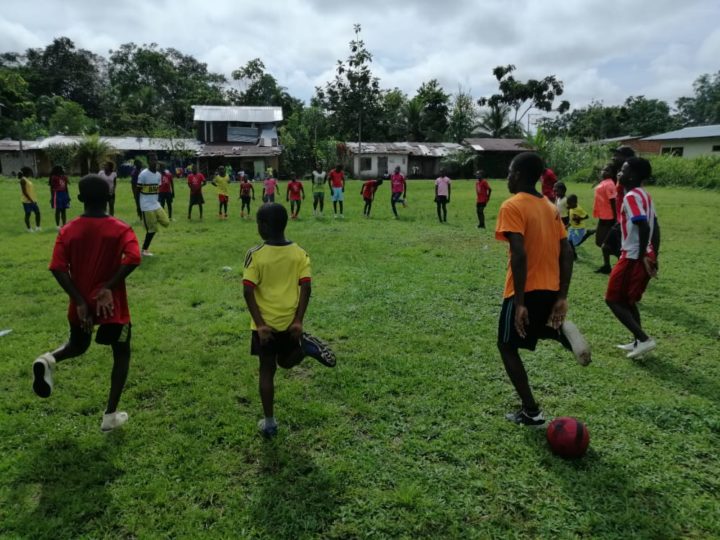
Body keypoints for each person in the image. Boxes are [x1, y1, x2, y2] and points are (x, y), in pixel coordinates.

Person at [32, 174, 141, 432]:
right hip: (112, 307)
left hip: (81, 307)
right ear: (110, 197)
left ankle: (48, 360)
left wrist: (79, 300)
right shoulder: (121, 228)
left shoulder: (68, 230)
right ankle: (110, 415)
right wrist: (107, 288)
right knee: (122, 352)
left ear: (79, 198)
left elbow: (57, 268)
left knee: (78, 346)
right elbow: (134, 257)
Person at [495, 152, 591, 427]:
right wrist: (561, 296)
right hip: (550, 288)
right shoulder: (550, 206)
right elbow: (567, 253)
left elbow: (519, 255)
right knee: (534, 326)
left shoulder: (512, 206)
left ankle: (531, 411)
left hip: (524, 290)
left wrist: (520, 301)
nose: (507, 178)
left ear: (517, 175)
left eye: (509, 172)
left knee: (506, 345)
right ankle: (562, 332)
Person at [242, 203, 336, 437]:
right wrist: (298, 320)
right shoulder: (299, 253)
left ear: (262, 226)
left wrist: (261, 325)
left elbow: (247, 291)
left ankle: (270, 423)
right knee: (286, 362)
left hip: (265, 327)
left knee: (267, 370)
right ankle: (303, 348)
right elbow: (306, 287)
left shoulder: (256, 255)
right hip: (289, 322)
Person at [605, 157, 660, 359]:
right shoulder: (645, 195)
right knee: (628, 300)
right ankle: (638, 341)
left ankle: (644, 339)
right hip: (641, 253)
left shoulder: (631, 197)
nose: (619, 173)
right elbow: (655, 227)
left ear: (633, 175)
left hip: (632, 256)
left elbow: (643, 225)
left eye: (623, 170)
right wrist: (653, 252)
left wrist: (639, 255)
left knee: (612, 300)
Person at [597, 146, 636, 274]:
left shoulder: (629, 176)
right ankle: (609, 266)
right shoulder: (618, 172)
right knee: (605, 246)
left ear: (626, 158)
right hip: (619, 218)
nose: (614, 157)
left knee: (611, 246)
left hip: (625, 218)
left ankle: (627, 267)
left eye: (617, 155)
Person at [136, 152, 170, 256]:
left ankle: (150, 222)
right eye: (152, 160)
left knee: (166, 222)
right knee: (152, 230)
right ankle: (144, 250)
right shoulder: (143, 174)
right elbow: (138, 190)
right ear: (148, 162)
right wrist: (138, 207)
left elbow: (157, 189)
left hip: (156, 204)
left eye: (155, 159)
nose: (154, 162)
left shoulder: (158, 175)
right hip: (146, 206)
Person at [593, 163, 618, 273]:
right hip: (603, 216)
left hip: (609, 218)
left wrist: (616, 219)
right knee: (599, 242)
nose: (604, 172)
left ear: (612, 174)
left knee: (604, 243)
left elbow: (613, 202)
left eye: (607, 170)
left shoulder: (610, 184)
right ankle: (610, 263)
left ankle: (615, 260)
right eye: (603, 169)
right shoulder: (603, 183)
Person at [566, 194, 595, 259]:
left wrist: (579, 218)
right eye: (568, 204)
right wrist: (568, 225)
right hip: (572, 228)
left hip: (579, 228)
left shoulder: (579, 209)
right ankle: (574, 256)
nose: (568, 205)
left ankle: (588, 233)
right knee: (569, 242)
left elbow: (586, 216)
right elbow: (571, 218)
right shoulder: (571, 208)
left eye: (569, 204)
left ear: (574, 203)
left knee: (576, 243)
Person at [20, 167, 41, 232]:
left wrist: (33, 200)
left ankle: (37, 227)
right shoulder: (23, 180)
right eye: (29, 172)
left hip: (33, 200)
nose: (30, 173)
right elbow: (24, 192)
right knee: (28, 214)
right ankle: (29, 229)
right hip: (26, 201)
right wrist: (31, 200)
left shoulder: (27, 179)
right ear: (26, 172)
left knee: (37, 213)